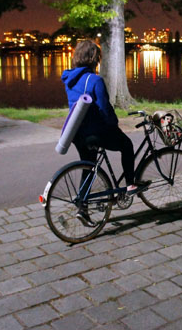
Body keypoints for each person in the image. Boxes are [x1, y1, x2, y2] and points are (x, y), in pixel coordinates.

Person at [62, 40, 149, 227]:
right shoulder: (95, 80)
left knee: (89, 167)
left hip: (77, 133)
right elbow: (105, 110)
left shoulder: (69, 80)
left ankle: (82, 207)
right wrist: (114, 125)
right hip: (95, 132)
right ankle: (131, 184)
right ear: (95, 58)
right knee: (126, 145)